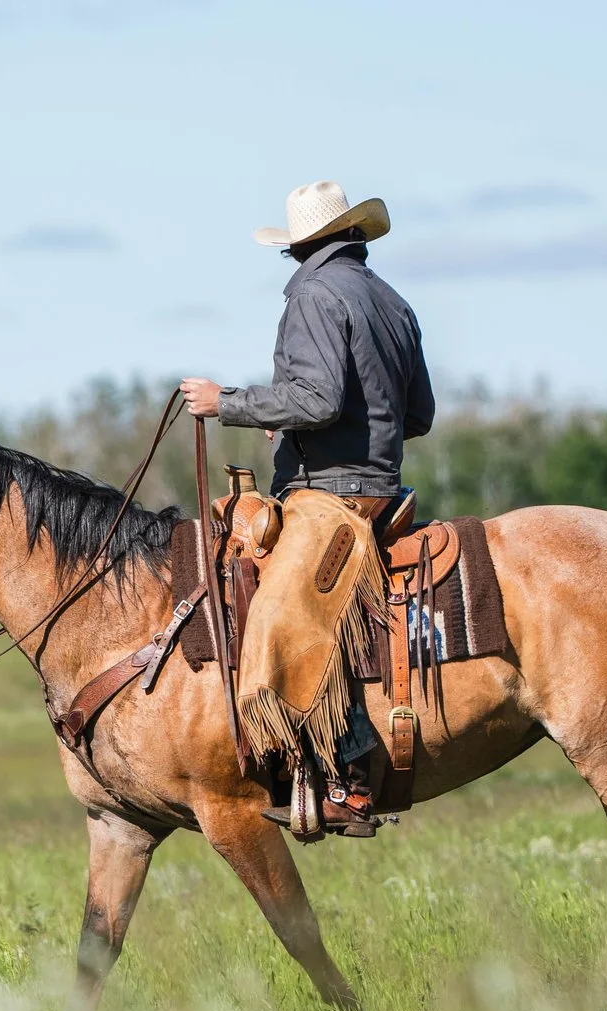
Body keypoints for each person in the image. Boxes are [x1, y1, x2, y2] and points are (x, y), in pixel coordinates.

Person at [181, 180, 434, 836]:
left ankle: (347, 779)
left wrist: (227, 402)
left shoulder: (314, 295)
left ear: (303, 247)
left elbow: (318, 399)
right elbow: (416, 416)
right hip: (382, 487)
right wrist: (297, 422)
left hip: (333, 494)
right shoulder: (393, 302)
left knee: (284, 611)